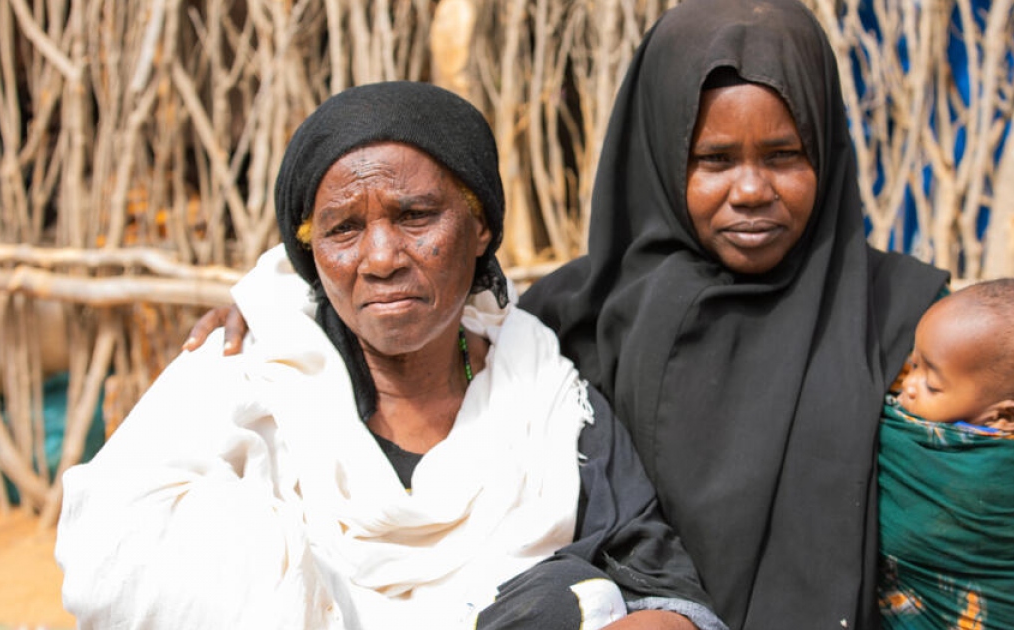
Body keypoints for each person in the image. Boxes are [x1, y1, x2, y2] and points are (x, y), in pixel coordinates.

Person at [186, 1, 1014, 628]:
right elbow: (394, 293)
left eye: (787, 154)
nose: (753, 190)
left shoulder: (898, 316)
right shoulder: (570, 313)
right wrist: (270, 302)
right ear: (657, 153)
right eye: (715, 159)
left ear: (831, 156)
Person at [57, 81, 723, 630]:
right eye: (344, 229)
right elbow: (113, 559)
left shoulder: (542, 393)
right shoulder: (243, 375)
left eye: (415, 216)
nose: (380, 259)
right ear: (311, 259)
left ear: (480, 225)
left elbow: (659, 585)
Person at [877, 278, 1014, 629]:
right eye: (913, 365)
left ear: (1006, 416)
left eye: (931, 385)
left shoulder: (940, 454)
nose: (909, 386)